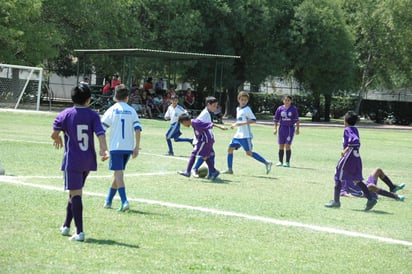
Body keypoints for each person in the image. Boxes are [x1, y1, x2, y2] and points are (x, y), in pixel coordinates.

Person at [51, 84, 109, 242]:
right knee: (74, 192)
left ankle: (80, 232)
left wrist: (57, 138)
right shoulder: (93, 115)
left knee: (76, 193)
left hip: (73, 160)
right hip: (88, 160)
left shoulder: (65, 114)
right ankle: (66, 225)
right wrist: (104, 150)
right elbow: (100, 134)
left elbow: (54, 133)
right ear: (89, 100)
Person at [324, 111, 378, 211]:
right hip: (356, 158)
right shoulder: (355, 129)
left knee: (338, 176)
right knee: (357, 179)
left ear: (346, 120)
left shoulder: (347, 129)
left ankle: (336, 201)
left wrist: (345, 150)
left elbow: (355, 141)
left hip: (349, 158)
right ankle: (370, 199)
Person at [101, 84, 142, 212]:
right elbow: (138, 129)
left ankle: (125, 201)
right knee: (118, 173)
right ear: (127, 97)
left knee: (118, 173)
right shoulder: (132, 110)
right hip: (128, 147)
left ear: (115, 96)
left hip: (116, 147)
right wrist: (136, 147)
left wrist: (103, 148)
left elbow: (101, 129)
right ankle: (108, 200)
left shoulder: (112, 110)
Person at [222, 91, 272, 175]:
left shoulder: (247, 109)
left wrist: (239, 124)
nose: (243, 101)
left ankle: (267, 162)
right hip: (238, 135)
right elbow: (239, 121)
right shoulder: (238, 109)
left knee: (249, 153)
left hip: (245, 135)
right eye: (242, 99)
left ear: (247, 101)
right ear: (238, 100)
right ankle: (229, 169)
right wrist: (235, 125)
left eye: (245, 100)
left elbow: (253, 120)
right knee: (230, 149)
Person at [178, 113, 225, 180]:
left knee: (194, 153)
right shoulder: (194, 124)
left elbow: (209, 123)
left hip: (205, 141)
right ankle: (214, 171)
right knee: (205, 156)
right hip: (207, 140)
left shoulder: (196, 122)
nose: (184, 126)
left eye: (182, 124)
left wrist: (220, 127)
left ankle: (187, 172)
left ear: (185, 121)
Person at [191, 96, 228, 177]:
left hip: (205, 139)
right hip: (203, 140)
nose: (215, 108)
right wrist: (220, 127)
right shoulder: (205, 114)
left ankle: (211, 174)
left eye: (216, 106)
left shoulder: (207, 113)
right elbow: (198, 125)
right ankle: (195, 169)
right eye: (214, 106)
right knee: (207, 155)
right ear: (208, 104)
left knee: (210, 155)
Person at [341, 167, 405, 201]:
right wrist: (353, 197)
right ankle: (395, 196)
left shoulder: (353, 172)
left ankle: (392, 187)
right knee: (371, 186)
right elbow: (342, 193)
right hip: (363, 193)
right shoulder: (344, 179)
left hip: (365, 186)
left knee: (378, 170)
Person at [273, 95, 300, 167]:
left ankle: (287, 162)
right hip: (282, 128)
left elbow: (297, 120)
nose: (287, 102)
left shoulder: (293, 109)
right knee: (281, 145)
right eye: (285, 100)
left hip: (289, 129)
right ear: (283, 101)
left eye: (288, 100)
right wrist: (275, 128)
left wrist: (297, 128)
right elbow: (276, 119)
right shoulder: (280, 108)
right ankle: (280, 161)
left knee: (287, 145)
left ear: (291, 101)